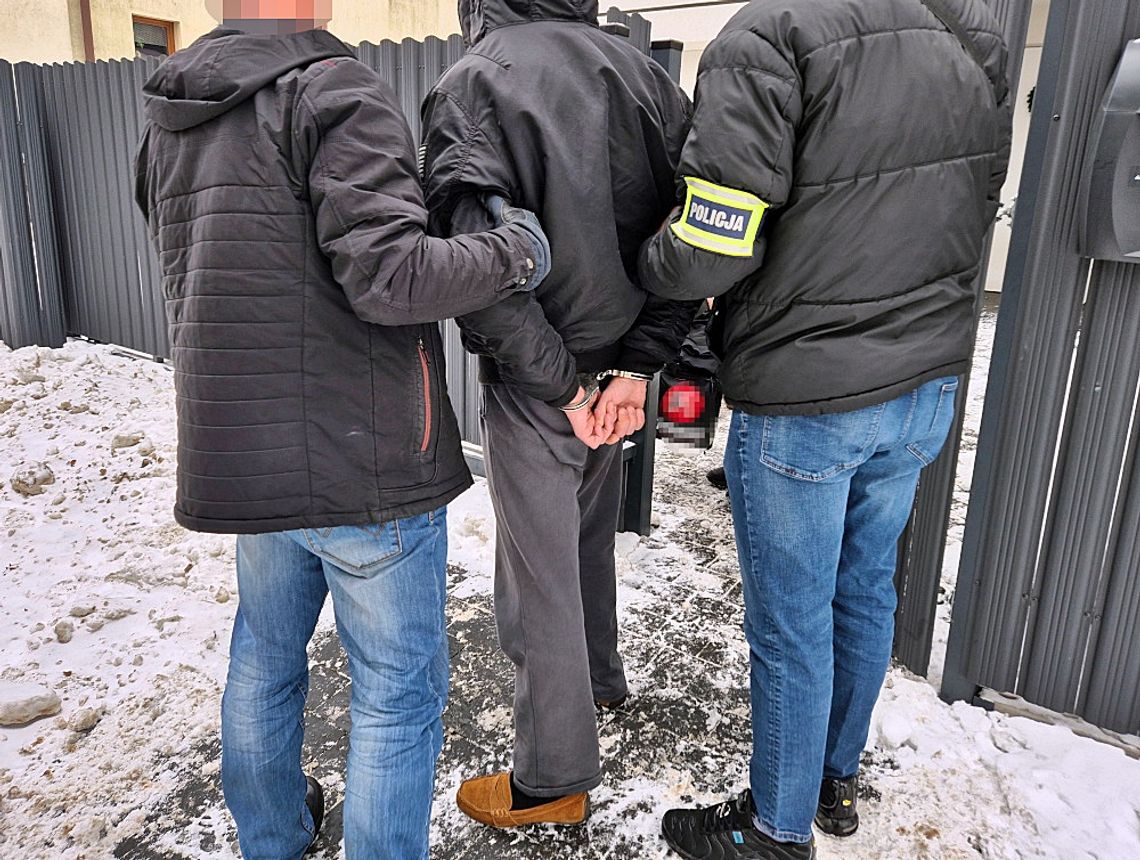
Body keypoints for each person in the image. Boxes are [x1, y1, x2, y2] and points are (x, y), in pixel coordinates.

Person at [133, 2, 552, 857]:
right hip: (364, 466)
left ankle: (273, 838)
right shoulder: (335, 90)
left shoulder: (170, 118)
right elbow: (393, 279)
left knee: (264, 662)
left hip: (248, 461)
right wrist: (515, 250)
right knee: (396, 694)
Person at [638, 0, 1012, 857]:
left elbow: (712, 240)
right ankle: (834, 773)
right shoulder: (971, 39)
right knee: (864, 587)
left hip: (808, 399)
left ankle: (774, 829)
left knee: (791, 624)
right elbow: (979, 205)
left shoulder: (770, 35)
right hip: (923, 386)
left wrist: (645, 261)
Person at [419, 0, 698, 828]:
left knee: (536, 577)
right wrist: (635, 369)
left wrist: (566, 388)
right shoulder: (647, 77)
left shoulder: (472, 83)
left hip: (546, 380)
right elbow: (697, 238)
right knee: (582, 541)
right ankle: (599, 681)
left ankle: (552, 777)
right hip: (613, 371)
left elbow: (476, 274)